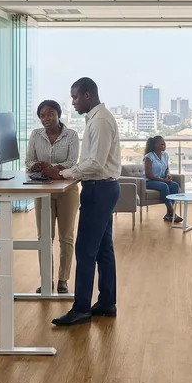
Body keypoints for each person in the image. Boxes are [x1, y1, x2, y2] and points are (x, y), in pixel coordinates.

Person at [42, 78, 121, 326]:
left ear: (88, 95)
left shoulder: (100, 121)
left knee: (85, 251)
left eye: (75, 97)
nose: (72, 102)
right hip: (102, 188)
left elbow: (96, 164)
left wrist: (64, 174)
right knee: (103, 249)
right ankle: (107, 303)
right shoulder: (96, 118)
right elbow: (91, 161)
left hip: (99, 189)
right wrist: (67, 171)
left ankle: (81, 308)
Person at [26, 99, 80, 294]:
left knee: (66, 237)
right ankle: (46, 279)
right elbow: (28, 161)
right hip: (43, 190)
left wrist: (53, 168)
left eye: (50, 114)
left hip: (67, 190)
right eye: (42, 115)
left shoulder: (71, 135)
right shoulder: (35, 135)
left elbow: (73, 162)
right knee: (44, 237)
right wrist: (37, 166)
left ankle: (63, 280)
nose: (46, 118)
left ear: (58, 115)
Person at [142, 135, 182, 223]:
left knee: (175, 185)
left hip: (162, 179)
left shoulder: (165, 155)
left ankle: (168, 214)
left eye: (164, 143)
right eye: (162, 144)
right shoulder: (149, 156)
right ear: (155, 145)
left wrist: (168, 175)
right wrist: (163, 180)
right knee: (164, 186)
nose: (164, 145)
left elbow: (166, 169)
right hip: (149, 181)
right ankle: (173, 213)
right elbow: (148, 174)